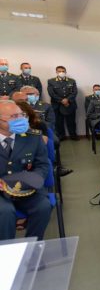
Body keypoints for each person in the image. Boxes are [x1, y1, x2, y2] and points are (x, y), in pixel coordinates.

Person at [0, 100, 51, 241]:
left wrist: (32, 180)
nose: (20, 119)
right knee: (5, 212)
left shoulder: (33, 137)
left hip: (26, 188)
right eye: (14, 116)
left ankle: (32, 247)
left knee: (43, 207)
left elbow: (42, 165)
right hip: (1, 190)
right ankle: (6, 251)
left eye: (21, 115)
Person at [47, 65, 79, 140]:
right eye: (59, 71)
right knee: (59, 122)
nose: (61, 72)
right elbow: (51, 93)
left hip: (70, 104)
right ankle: (61, 136)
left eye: (63, 71)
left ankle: (73, 135)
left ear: (65, 72)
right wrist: (62, 100)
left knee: (71, 121)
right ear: (56, 72)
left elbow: (74, 92)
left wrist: (67, 100)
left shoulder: (72, 81)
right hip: (57, 105)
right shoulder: (51, 81)